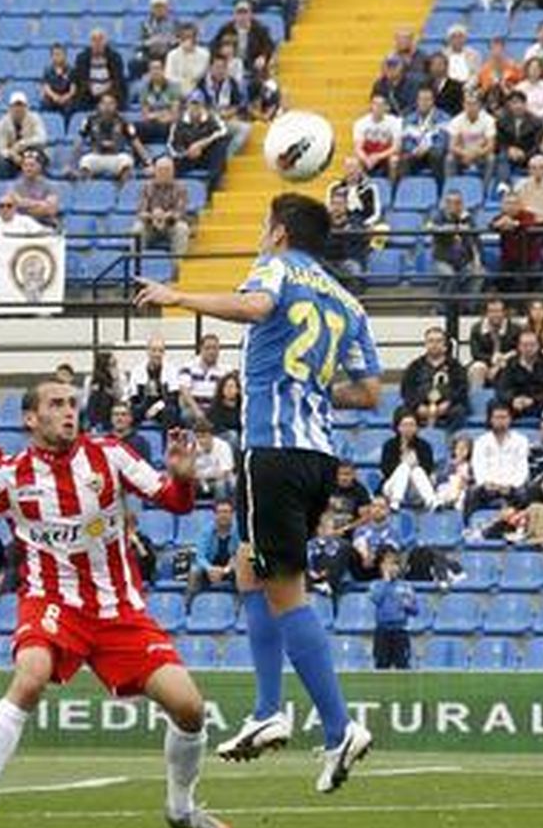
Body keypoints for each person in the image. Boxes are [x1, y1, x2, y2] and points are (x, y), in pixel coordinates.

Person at [0, 379, 233, 828]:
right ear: (30, 418)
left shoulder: (110, 455)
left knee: (189, 709)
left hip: (118, 608)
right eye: (57, 404)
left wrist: (183, 477)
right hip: (52, 602)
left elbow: (174, 502)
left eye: (72, 404)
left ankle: (181, 808)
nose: (69, 412)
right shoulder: (9, 474)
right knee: (30, 678)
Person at [135, 191, 382, 793]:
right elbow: (370, 391)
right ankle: (268, 709)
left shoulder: (277, 267)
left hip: (272, 451)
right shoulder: (348, 301)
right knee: (250, 568)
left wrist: (179, 297)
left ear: (279, 233)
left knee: (284, 591)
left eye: (265, 225)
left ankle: (339, 728)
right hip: (317, 456)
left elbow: (255, 306)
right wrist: (311, 387)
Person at [401, 326, 469, 430]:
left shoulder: (455, 366)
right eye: (431, 341)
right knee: (402, 413)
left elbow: (462, 389)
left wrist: (448, 403)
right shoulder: (415, 366)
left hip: (449, 406)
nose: (434, 344)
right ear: (425, 344)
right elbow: (407, 390)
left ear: (445, 345)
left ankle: (451, 438)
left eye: (438, 341)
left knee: (459, 411)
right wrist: (418, 406)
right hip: (421, 406)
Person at [468, 404, 531, 513]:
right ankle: (467, 523)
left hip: (512, 487)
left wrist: (511, 485)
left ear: (510, 419)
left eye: (504, 417)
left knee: (524, 494)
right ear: (491, 420)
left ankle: (520, 522)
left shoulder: (521, 441)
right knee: (472, 493)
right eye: (497, 417)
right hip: (488, 486)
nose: (500, 421)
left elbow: (523, 467)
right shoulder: (481, 442)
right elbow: (478, 466)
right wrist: (487, 483)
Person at [495, 329, 543, 422]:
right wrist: (513, 399)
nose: (528, 348)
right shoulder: (510, 363)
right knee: (495, 406)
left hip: (540, 404)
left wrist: (533, 400)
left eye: (532, 345)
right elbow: (502, 388)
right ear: (519, 346)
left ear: (538, 346)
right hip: (516, 405)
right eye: (525, 345)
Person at [426, 190, 482, 295]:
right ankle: (445, 304)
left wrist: (477, 260)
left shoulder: (468, 218)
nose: (453, 206)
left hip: (464, 260)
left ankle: (468, 303)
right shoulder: (439, 216)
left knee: (478, 274)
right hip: (443, 260)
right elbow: (431, 228)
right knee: (449, 275)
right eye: (450, 202)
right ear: (445, 204)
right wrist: (456, 228)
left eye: (457, 202)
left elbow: (475, 241)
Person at [368, 550, 417, 670]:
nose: (392, 568)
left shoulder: (406, 586)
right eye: (388, 564)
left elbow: (415, 610)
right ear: (382, 567)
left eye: (394, 564)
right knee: (381, 665)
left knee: (403, 665)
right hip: (382, 631)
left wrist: (408, 606)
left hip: (400, 631)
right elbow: (376, 599)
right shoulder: (375, 585)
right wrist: (386, 581)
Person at [133, 156, 190, 256]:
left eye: (167, 170)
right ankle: (136, 262)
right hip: (150, 224)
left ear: (173, 172)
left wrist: (166, 215)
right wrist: (153, 215)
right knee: (137, 229)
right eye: (160, 170)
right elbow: (141, 212)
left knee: (182, 228)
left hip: (171, 225)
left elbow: (180, 212)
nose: (163, 173)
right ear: (155, 171)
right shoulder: (146, 187)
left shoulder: (181, 188)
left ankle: (177, 263)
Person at [381, 411, 437, 509]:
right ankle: (395, 501)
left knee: (417, 470)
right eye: (405, 425)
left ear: (416, 427)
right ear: (398, 427)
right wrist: (402, 462)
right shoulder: (390, 445)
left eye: (412, 425)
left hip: (416, 488)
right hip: (393, 485)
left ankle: (431, 501)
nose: (408, 428)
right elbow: (386, 470)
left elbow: (428, 468)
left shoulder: (424, 446)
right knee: (404, 467)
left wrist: (413, 466)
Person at [185, 500, 239, 602]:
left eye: (226, 512)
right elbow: (200, 556)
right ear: (215, 515)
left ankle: (240, 606)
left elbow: (239, 555)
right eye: (220, 512)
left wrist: (226, 569)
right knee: (194, 571)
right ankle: (188, 606)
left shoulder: (239, 531)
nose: (223, 515)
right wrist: (210, 569)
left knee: (242, 572)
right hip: (209, 569)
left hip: (230, 568)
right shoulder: (205, 531)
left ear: (232, 514)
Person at [0, 91, 49, 178]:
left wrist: (23, 144)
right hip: (12, 155)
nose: (18, 109)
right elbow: (2, 150)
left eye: (21, 106)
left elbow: (42, 139)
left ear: (26, 107)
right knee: (1, 164)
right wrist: (12, 155)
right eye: (15, 106)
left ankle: (39, 184)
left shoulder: (35, 118)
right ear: (10, 108)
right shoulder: (3, 123)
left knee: (38, 159)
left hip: (31, 151)